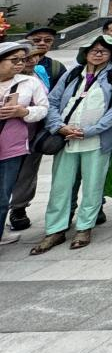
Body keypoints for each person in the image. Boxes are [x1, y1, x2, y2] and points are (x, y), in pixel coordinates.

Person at [29, 35, 112, 254]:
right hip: (66, 138)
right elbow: (53, 102)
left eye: (104, 50)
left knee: (93, 186)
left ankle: (85, 227)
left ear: (111, 54)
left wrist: (91, 130)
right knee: (61, 186)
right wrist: (59, 126)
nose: (98, 53)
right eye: (93, 49)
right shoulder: (73, 73)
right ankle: (55, 229)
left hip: (96, 140)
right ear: (85, 52)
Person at [7, 26, 65, 233]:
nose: (32, 60)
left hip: (35, 132)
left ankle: (19, 208)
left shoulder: (42, 73)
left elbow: (50, 103)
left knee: (28, 172)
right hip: (7, 133)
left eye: (36, 57)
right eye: (26, 57)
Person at [0, 41, 48, 247]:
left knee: (3, 194)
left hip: (12, 146)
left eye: (22, 59)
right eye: (14, 60)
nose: (20, 64)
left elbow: (44, 108)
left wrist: (24, 112)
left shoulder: (30, 83)